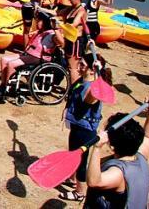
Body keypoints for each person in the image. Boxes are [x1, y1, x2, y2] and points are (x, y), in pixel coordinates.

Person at [59, 52, 114, 202]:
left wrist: (97, 76)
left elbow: (92, 98)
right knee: (73, 155)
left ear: (91, 70)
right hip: (78, 128)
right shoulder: (81, 82)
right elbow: (72, 67)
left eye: (82, 64)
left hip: (85, 131)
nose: (79, 66)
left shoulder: (92, 88)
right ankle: (72, 179)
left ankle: (80, 192)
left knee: (81, 161)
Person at [86, 97, 149, 208]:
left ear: (112, 145)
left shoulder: (118, 173)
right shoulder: (140, 156)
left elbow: (94, 182)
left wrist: (97, 148)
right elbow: (148, 137)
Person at [0, 13, 64, 100]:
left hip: (38, 58)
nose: (37, 23)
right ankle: (3, 84)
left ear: (45, 22)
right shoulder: (39, 32)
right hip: (30, 55)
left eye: (39, 21)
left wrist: (56, 28)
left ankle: (5, 88)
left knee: (11, 64)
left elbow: (61, 42)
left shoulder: (52, 34)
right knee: (3, 59)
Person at [62, 0, 90, 84]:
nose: (69, 0)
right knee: (68, 65)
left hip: (76, 41)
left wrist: (61, 26)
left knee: (72, 67)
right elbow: (57, 13)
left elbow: (74, 24)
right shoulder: (71, 8)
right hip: (69, 39)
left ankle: (73, 89)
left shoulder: (81, 11)